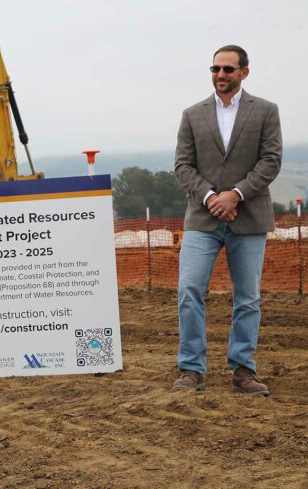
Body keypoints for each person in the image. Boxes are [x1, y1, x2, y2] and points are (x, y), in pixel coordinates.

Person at [173, 45, 281, 396]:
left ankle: (243, 371)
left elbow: (270, 160)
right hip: (202, 220)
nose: (221, 75)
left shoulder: (266, 110)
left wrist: (235, 194)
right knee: (189, 290)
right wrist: (211, 198)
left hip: (248, 218)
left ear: (244, 73)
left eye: (228, 69)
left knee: (247, 298)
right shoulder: (192, 114)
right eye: (216, 69)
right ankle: (191, 369)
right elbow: (182, 166)